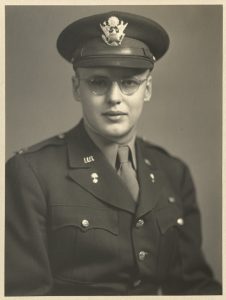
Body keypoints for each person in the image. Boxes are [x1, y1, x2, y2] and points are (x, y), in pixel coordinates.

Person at [5, 11, 222, 296]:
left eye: (129, 82)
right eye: (98, 82)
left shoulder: (172, 171)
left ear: (148, 89)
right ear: (76, 88)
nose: (114, 98)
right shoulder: (32, 173)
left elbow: (193, 287)